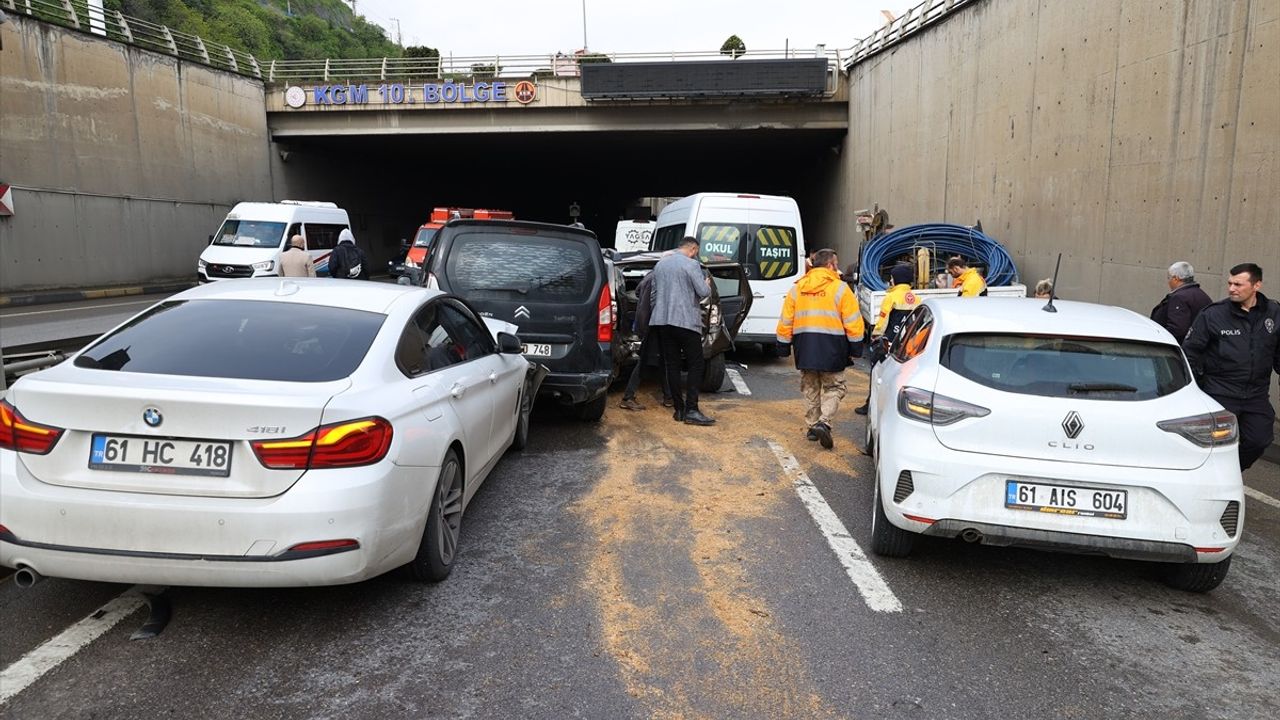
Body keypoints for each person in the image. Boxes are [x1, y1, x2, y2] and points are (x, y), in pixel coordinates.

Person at [1181, 263, 1280, 470]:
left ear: (1256, 285)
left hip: (1256, 396)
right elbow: (1190, 352)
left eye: (1238, 284)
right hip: (1220, 393)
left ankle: (1231, 471)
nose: (1231, 288)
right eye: (1230, 283)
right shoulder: (1213, 315)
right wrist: (1198, 386)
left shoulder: (1274, 313)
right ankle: (1210, 478)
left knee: (1259, 440)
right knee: (1214, 445)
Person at [776, 248, 865, 449]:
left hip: (804, 347)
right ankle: (824, 423)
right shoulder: (841, 289)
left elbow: (786, 320)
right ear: (830, 265)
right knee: (835, 387)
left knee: (810, 387)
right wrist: (856, 348)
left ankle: (812, 427)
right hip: (833, 347)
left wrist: (782, 346)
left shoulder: (797, 289)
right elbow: (853, 322)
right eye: (836, 263)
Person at [650, 237, 714, 425]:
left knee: (672, 365)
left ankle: (679, 409)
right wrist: (707, 285)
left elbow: (653, 295)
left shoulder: (661, 265)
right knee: (696, 364)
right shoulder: (692, 265)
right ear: (693, 249)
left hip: (663, 321)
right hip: (686, 321)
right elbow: (702, 292)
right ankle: (692, 409)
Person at [854, 264, 919, 416]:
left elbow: (883, 321)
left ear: (895, 280)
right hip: (909, 344)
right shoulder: (916, 298)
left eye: (891, 278)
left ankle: (871, 404)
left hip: (889, 342)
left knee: (878, 373)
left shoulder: (890, 297)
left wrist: (875, 336)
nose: (890, 281)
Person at [619, 270, 672, 410]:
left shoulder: (649, 276)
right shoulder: (662, 278)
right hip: (655, 324)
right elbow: (658, 303)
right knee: (646, 360)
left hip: (645, 323)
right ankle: (628, 397)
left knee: (662, 359)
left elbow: (637, 292)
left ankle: (669, 396)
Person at [1151, 261, 1212, 341]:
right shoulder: (1202, 295)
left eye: (1169, 278)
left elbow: (1177, 329)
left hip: (1178, 347)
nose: (1168, 282)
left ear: (1176, 279)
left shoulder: (1179, 297)